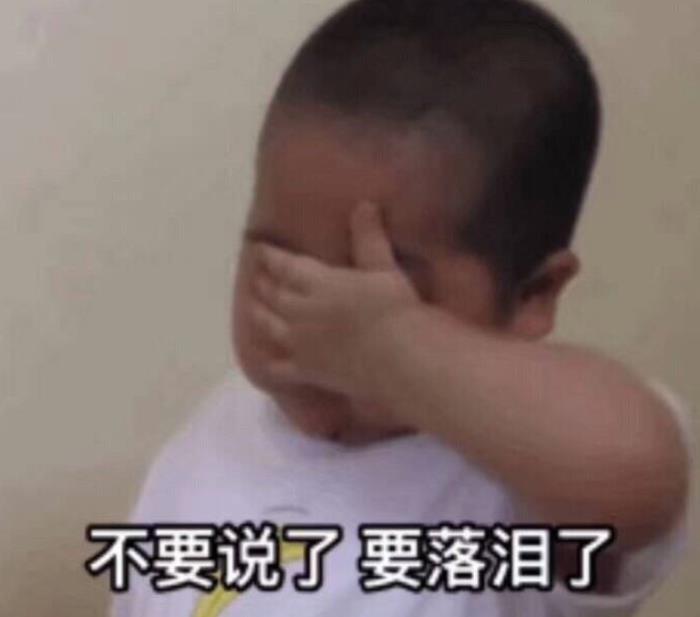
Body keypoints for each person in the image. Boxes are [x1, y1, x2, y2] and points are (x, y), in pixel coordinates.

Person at [111, 1, 693, 615]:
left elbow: (637, 474)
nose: (320, 334)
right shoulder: (219, 433)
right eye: (281, 274)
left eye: (376, 289)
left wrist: (390, 350)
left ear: (533, 293)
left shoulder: (516, 485)